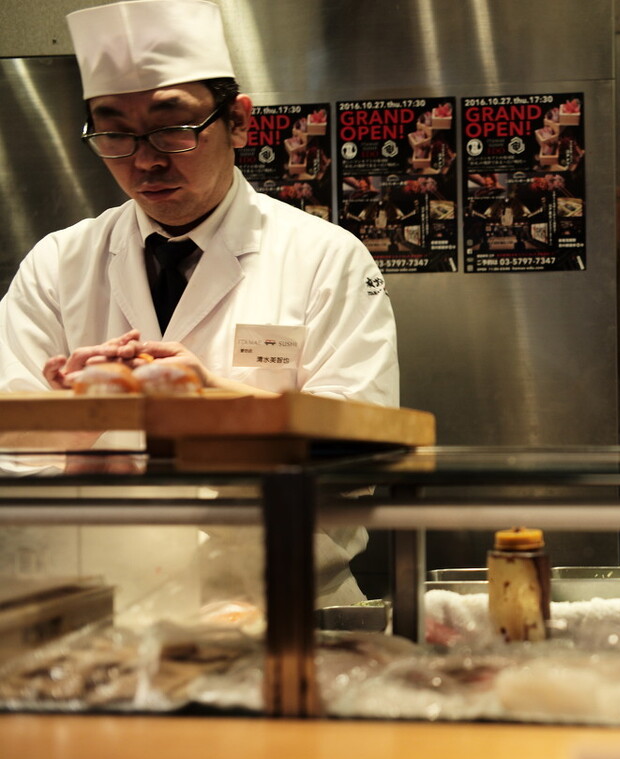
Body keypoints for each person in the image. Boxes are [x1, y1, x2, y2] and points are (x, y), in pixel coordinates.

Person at [0, 0, 400, 608]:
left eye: (173, 126)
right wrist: (80, 422)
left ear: (238, 122)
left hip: (284, 605)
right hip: (104, 609)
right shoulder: (58, 264)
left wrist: (212, 399)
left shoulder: (325, 256)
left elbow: (366, 449)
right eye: (114, 132)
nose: (145, 159)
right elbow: (12, 452)